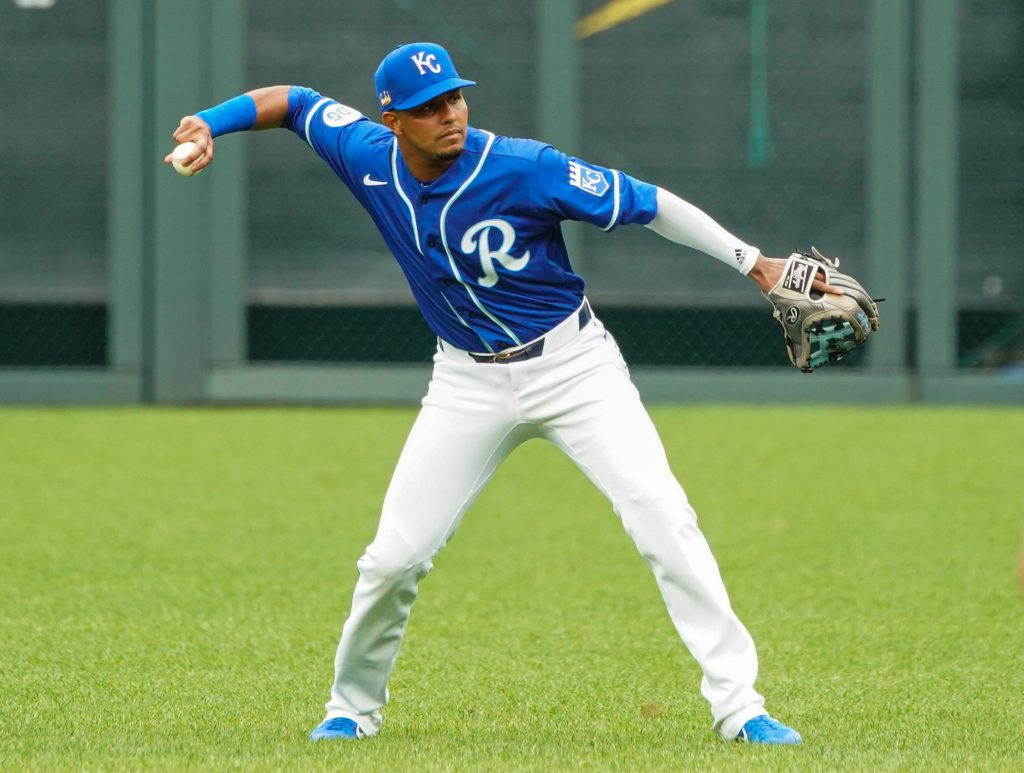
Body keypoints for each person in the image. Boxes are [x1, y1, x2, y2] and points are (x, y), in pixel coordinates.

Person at [167, 42, 836, 745]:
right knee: (393, 557)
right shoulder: (366, 153)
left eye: (455, 97)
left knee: (664, 518)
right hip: (466, 380)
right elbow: (296, 103)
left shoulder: (524, 167)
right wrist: (211, 122)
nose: (449, 114)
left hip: (575, 368)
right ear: (392, 120)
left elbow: (649, 203)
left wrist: (753, 262)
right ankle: (351, 708)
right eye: (428, 108)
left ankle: (741, 707)